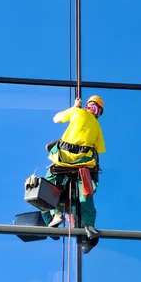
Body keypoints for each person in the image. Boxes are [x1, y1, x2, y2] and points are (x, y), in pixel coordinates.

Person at [42, 95, 106, 241]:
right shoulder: (97, 127)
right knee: (86, 193)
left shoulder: (78, 112)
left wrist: (74, 108)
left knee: (46, 186)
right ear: (98, 113)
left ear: (87, 107)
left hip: (62, 159)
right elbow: (98, 150)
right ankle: (88, 226)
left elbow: (56, 118)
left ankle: (55, 214)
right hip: (83, 163)